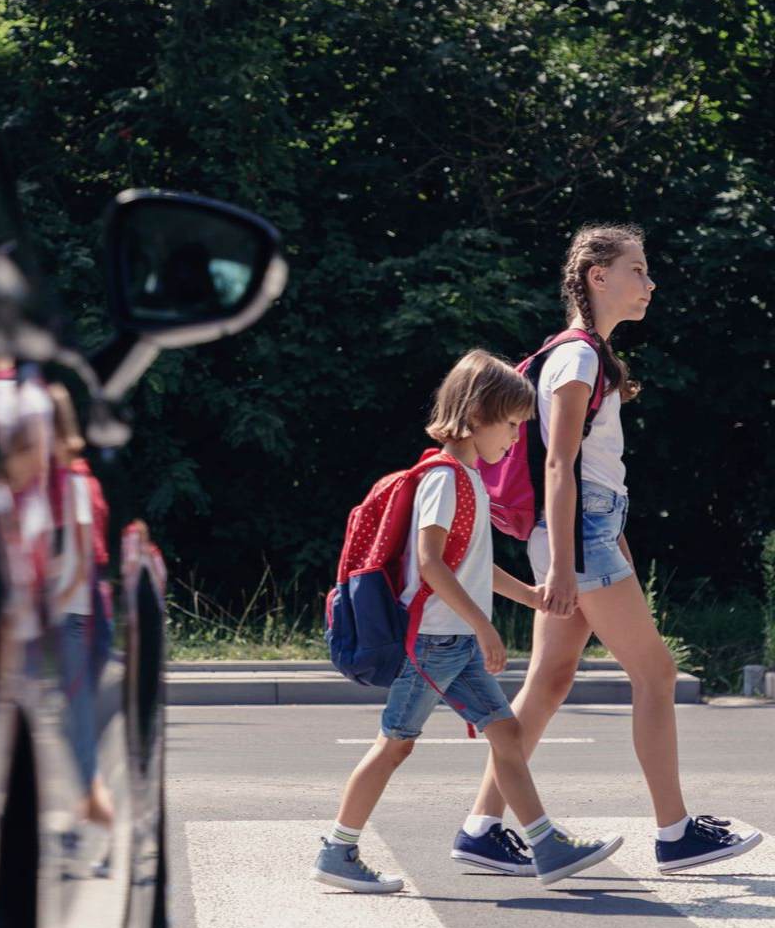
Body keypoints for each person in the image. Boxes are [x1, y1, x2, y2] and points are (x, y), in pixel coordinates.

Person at [453, 225, 762, 876]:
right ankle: (675, 832)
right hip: (578, 537)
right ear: (598, 275)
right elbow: (559, 467)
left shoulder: (585, 357)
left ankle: (481, 827)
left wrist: (600, 543)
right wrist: (568, 565)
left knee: (550, 680)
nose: (649, 283)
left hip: (588, 533)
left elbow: (588, 472)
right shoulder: (579, 359)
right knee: (656, 674)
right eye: (637, 270)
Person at [313, 350, 624, 893]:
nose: (513, 440)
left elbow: (472, 565)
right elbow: (432, 562)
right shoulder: (444, 477)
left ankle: (545, 845)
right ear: (476, 415)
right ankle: (338, 849)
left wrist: (529, 595)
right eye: (509, 425)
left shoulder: (469, 480)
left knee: (506, 733)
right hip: (433, 642)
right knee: (396, 745)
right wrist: (484, 627)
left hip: (450, 641)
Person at [47, 383, 115, 830]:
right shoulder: (68, 480)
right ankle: (88, 817)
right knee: (73, 725)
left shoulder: (71, 484)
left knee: (76, 727)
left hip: (72, 616)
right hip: (78, 614)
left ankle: (94, 818)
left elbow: (80, 560)